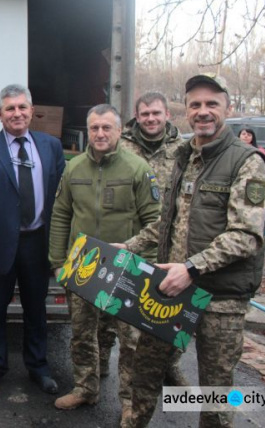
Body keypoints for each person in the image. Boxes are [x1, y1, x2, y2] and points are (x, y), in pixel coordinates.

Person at [120, 74, 265, 428]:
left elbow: (246, 235)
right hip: (172, 289)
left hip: (221, 298)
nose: (203, 112)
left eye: (211, 104)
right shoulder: (184, 155)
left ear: (228, 109)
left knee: (216, 392)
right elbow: (165, 222)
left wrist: (191, 267)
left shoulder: (246, 161)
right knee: (144, 373)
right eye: (195, 105)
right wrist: (126, 247)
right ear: (185, 112)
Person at [48, 104, 160, 417]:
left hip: (126, 267)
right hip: (84, 266)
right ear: (88, 130)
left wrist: (136, 254)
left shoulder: (137, 169)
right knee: (82, 334)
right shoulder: (74, 168)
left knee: (131, 342)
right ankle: (85, 389)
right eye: (94, 128)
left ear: (119, 130)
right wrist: (58, 261)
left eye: (106, 127)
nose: (100, 133)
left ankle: (129, 401)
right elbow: (60, 215)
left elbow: (157, 222)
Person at [0, 84, 64, 396]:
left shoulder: (51, 146)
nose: (17, 113)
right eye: (10, 109)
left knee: (37, 309)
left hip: (39, 243)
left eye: (22, 107)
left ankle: (38, 366)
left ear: (32, 111)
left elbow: (62, 202)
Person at [94, 92, 188, 387]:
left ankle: (169, 366)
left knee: (171, 310)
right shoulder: (121, 144)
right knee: (110, 307)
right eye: (145, 113)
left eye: (156, 113)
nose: (150, 118)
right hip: (128, 238)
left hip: (167, 245)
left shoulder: (183, 149)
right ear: (136, 116)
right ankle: (101, 359)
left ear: (167, 115)